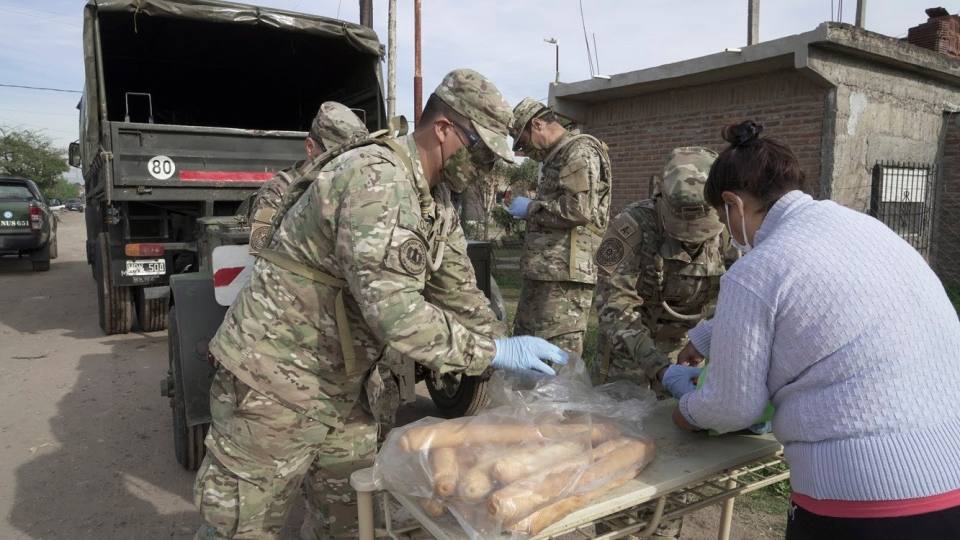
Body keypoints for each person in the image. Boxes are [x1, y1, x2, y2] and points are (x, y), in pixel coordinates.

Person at [193, 69, 568, 540]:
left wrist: (506, 344)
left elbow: (458, 292)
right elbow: (397, 316)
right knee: (242, 526)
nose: (486, 168)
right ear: (445, 129)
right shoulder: (376, 179)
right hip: (273, 382)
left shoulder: (436, 204)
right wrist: (491, 354)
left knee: (353, 521)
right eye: (480, 151)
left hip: (344, 386)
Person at [674, 121, 960, 539]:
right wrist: (705, 337)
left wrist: (685, 408)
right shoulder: (863, 228)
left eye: (722, 217)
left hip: (862, 498)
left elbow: (734, 407)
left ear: (733, 205)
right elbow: (816, 301)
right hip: (949, 475)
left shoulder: (755, 269)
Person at [592, 146, 733, 540]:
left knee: (678, 464)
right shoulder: (630, 226)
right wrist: (657, 367)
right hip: (628, 360)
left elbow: (740, 299)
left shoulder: (725, 232)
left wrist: (706, 347)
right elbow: (613, 308)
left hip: (689, 357)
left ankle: (665, 531)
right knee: (619, 466)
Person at [507, 98, 612, 356]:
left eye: (522, 141)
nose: (522, 150)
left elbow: (578, 210)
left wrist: (530, 208)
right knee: (526, 345)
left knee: (557, 353)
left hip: (566, 276)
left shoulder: (579, 152)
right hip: (547, 270)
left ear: (538, 124)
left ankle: (558, 399)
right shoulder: (557, 155)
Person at [247, 101, 369, 252]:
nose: (344, 164)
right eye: (336, 156)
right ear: (310, 147)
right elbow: (259, 249)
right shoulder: (276, 192)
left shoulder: (352, 185)